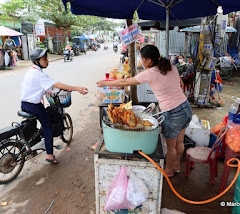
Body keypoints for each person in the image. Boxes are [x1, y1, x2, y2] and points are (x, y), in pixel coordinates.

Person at [97, 45, 192, 177]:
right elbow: (180, 83)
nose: (141, 61)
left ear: (148, 60)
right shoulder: (172, 67)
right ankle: (176, 166)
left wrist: (105, 83)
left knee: (171, 146)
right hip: (185, 107)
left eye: (142, 58)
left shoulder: (150, 73)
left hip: (172, 111)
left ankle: (169, 171)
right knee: (180, 142)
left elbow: (127, 81)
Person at [21, 48, 88, 164]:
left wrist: (50, 90)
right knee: (48, 127)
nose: (47, 61)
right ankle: (50, 155)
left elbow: (41, 87)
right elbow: (55, 84)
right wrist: (77, 88)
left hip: (24, 104)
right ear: (37, 61)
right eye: (44, 59)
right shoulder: (38, 74)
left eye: (47, 58)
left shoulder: (31, 71)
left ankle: (30, 148)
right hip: (34, 106)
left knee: (31, 126)